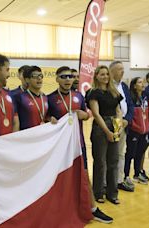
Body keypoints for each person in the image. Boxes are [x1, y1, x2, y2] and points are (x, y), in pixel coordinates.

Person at [48, 66, 112, 223]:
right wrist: (49, 119)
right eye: (63, 77)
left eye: (70, 77)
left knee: (84, 176)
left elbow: (87, 114)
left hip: (78, 145)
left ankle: (93, 208)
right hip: (59, 147)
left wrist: (84, 115)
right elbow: (45, 118)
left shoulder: (78, 96)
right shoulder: (49, 98)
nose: (68, 79)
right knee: (59, 179)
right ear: (57, 79)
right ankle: (61, 209)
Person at [86, 65, 122, 205]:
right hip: (101, 128)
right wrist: (107, 131)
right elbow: (96, 113)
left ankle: (112, 193)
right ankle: (98, 192)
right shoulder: (93, 92)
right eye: (102, 74)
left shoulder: (113, 92)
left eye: (107, 74)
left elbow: (118, 111)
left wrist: (117, 129)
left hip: (114, 124)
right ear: (96, 76)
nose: (105, 77)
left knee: (113, 161)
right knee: (100, 162)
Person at [109, 61, 134, 192]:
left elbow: (130, 104)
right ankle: (107, 182)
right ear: (111, 71)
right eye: (119, 69)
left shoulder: (124, 85)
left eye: (123, 69)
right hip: (112, 122)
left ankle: (119, 180)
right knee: (110, 154)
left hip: (123, 123)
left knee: (120, 154)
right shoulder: (107, 86)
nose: (122, 71)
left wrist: (127, 119)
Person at [125, 77, 149, 185]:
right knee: (130, 154)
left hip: (144, 131)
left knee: (140, 154)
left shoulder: (144, 98)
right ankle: (125, 175)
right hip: (134, 131)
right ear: (134, 86)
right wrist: (133, 126)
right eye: (140, 82)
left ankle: (137, 174)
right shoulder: (130, 98)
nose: (143, 84)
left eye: (143, 82)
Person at [15, 66, 49, 130]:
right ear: (27, 80)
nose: (39, 78)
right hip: (26, 137)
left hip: (42, 135)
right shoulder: (19, 97)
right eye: (35, 76)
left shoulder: (44, 97)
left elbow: (46, 116)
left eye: (41, 76)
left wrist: (50, 119)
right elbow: (15, 121)